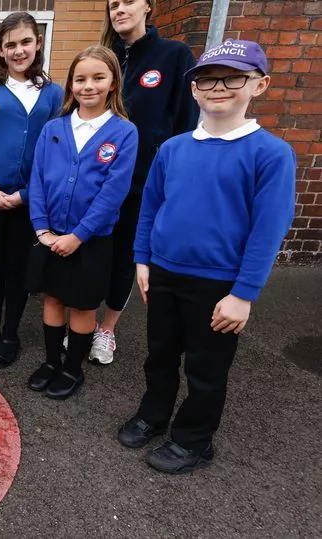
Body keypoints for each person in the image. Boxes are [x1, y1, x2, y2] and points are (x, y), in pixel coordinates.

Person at [118, 40, 295, 474]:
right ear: (194, 89)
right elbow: (151, 208)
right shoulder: (174, 149)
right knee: (159, 354)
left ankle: (194, 438)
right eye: (206, 79)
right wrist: (143, 259)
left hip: (219, 284)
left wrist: (244, 294)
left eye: (233, 78)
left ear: (259, 84)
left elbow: (267, 230)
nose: (218, 87)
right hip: (164, 272)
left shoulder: (271, 154)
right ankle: (154, 414)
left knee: (206, 368)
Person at [89, 0, 199, 365]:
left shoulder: (173, 55)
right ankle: (85, 324)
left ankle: (107, 331)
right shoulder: (105, 58)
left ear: (148, 7)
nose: (119, 10)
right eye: (113, 4)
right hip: (96, 181)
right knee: (92, 255)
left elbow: (185, 124)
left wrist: (172, 183)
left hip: (141, 183)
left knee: (124, 259)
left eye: (128, 2)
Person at [26, 46, 137, 399]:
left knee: (82, 305)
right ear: (71, 84)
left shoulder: (124, 132)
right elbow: (38, 179)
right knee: (53, 299)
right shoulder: (54, 128)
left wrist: (79, 235)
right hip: (50, 237)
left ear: (113, 83)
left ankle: (72, 369)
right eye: (80, 78)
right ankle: (50, 361)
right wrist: (41, 228)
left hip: (90, 241)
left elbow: (113, 193)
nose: (88, 86)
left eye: (98, 78)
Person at [0, 12, 63, 368]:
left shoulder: (53, 94)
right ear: (0, 51)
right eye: (11, 45)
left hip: (29, 201)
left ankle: (11, 334)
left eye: (25, 42)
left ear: (38, 44)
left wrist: (27, 194)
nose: (19, 51)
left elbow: (58, 154)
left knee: (19, 270)